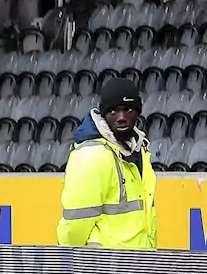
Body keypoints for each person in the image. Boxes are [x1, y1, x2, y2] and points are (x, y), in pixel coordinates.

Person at [57, 77, 157, 250]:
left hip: (137, 268)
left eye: (128, 110)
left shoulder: (139, 150)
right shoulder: (92, 155)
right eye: (113, 111)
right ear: (103, 114)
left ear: (138, 112)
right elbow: (74, 228)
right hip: (101, 271)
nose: (122, 117)